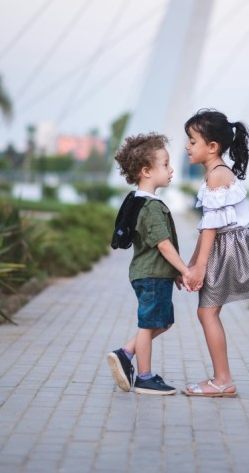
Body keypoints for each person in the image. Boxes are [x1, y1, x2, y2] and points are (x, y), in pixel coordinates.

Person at [181, 109, 249, 398]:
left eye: (192, 141)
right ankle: (222, 378)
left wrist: (199, 267)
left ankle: (223, 380)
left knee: (207, 312)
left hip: (229, 247)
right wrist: (193, 262)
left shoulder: (217, 176)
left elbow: (212, 229)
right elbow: (208, 225)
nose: (187, 147)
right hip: (227, 244)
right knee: (207, 312)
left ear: (212, 147)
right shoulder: (216, 173)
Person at [106, 133, 198, 395]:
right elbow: (163, 245)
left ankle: (125, 353)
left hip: (151, 274)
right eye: (166, 164)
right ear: (146, 171)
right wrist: (185, 270)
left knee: (162, 322)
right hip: (152, 276)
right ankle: (144, 377)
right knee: (148, 325)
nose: (171, 170)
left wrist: (175, 274)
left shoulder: (139, 201)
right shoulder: (152, 207)